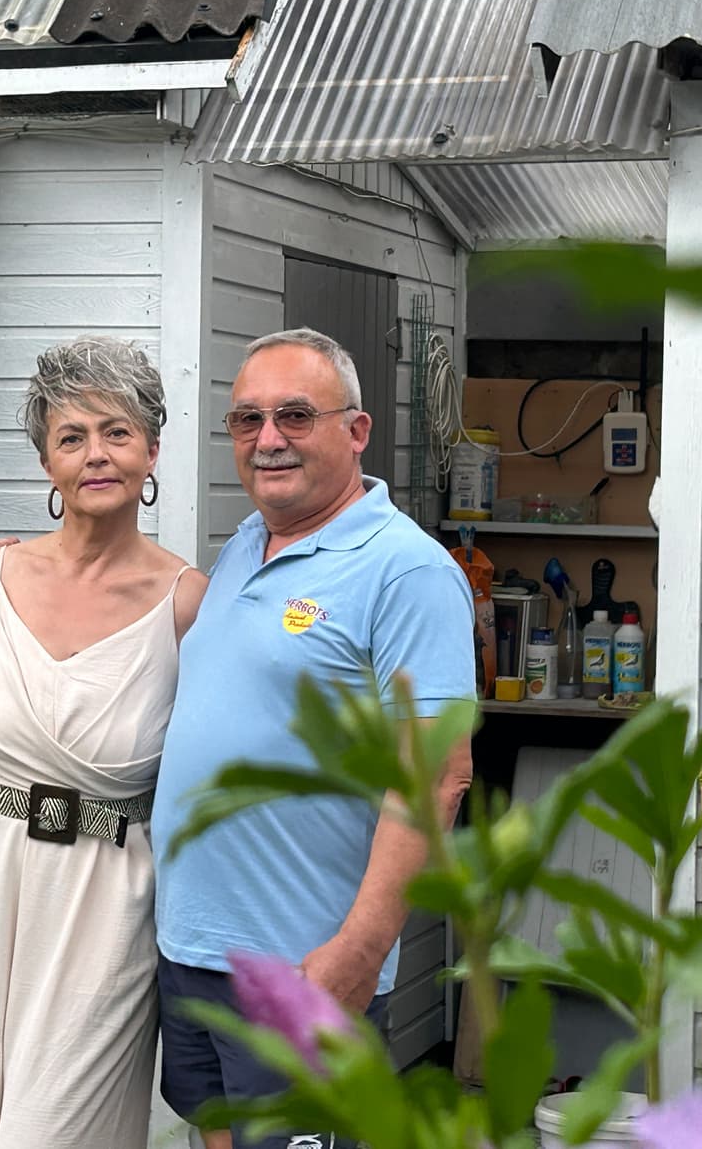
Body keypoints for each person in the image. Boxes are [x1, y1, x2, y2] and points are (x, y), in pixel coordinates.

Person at [0, 335, 206, 1149]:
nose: (96, 455)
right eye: (72, 436)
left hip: (102, 903)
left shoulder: (189, 604)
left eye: (117, 433)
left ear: (152, 451)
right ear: (45, 461)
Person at [152, 329, 476, 1149]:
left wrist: (362, 949)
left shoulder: (407, 570)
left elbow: (437, 778)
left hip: (306, 963)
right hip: (195, 952)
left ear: (356, 431)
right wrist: (10, 566)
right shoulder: (239, 553)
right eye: (247, 419)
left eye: (295, 415)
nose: (268, 440)